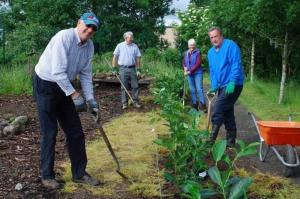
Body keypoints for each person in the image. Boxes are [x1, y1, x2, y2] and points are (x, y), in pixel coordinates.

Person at [33, 12, 101, 189]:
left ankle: (79, 173)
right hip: (46, 83)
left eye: (93, 28)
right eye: (87, 25)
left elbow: (86, 74)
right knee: (50, 132)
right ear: (79, 22)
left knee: (75, 131)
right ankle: (47, 175)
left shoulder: (89, 46)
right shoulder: (64, 36)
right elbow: (57, 72)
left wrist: (91, 100)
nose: (89, 29)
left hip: (65, 85)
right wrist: (76, 96)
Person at [207, 27, 244, 147]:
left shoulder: (230, 46)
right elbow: (213, 71)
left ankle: (210, 140)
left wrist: (232, 81)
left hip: (234, 84)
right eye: (211, 37)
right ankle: (231, 141)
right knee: (227, 111)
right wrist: (214, 86)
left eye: (215, 36)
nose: (214, 39)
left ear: (221, 36)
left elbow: (235, 64)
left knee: (218, 108)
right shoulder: (210, 52)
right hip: (222, 86)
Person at [112, 31, 142, 109]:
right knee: (124, 86)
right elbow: (115, 57)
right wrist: (114, 68)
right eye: (130, 38)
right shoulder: (120, 46)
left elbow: (138, 58)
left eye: (132, 38)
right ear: (125, 38)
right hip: (123, 68)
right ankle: (124, 103)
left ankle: (135, 101)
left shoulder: (135, 46)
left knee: (135, 86)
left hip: (132, 68)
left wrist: (138, 70)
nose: (132, 39)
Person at [182, 38, 207, 111]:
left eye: (193, 45)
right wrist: (185, 68)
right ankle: (194, 104)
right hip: (189, 73)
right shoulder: (186, 53)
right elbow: (183, 62)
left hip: (197, 73)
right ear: (188, 45)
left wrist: (190, 71)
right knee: (192, 89)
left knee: (199, 89)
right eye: (190, 45)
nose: (192, 47)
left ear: (195, 45)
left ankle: (202, 105)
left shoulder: (198, 52)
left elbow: (198, 64)